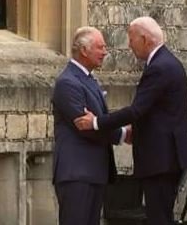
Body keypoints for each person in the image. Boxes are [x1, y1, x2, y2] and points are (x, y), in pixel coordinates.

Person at [73, 16, 187, 225]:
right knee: (161, 215)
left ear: (145, 39)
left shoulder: (159, 67)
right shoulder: (166, 62)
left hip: (161, 158)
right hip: (168, 156)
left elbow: (137, 110)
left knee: (159, 217)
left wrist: (96, 123)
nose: (129, 45)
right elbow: (155, 110)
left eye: (131, 39)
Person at [51, 26, 129, 225]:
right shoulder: (68, 83)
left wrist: (101, 123)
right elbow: (86, 126)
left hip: (93, 172)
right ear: (84, 50)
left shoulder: (88, 79)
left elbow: (97, 122)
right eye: (100, 47)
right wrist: (122, 134)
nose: (105, 52)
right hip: (77, 173)